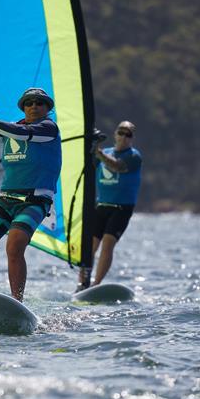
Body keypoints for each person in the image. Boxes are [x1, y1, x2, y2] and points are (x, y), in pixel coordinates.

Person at [0, 87, 62, 301]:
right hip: (4, 200)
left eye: (39, 102)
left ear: (47, 108)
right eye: (29, 102)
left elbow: (20, 134)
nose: (34, 106)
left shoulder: (48, 128)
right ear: (23, 108)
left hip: (34, 201)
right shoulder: (13, 128)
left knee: (14, 246)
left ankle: (17, 302)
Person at [78, 121, 142, 290]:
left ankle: (96, 285)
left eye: (128, 134)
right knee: (90, 246)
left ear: (132, 138)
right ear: (115, 134)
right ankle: (82, 283)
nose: (124, 137)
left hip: (121, 209)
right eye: (121, 132)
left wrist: (98, 153)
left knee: (107, 243)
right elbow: (87, 166)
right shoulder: (104, 153)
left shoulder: (134, 156)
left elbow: (117, 167)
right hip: (102, 206)